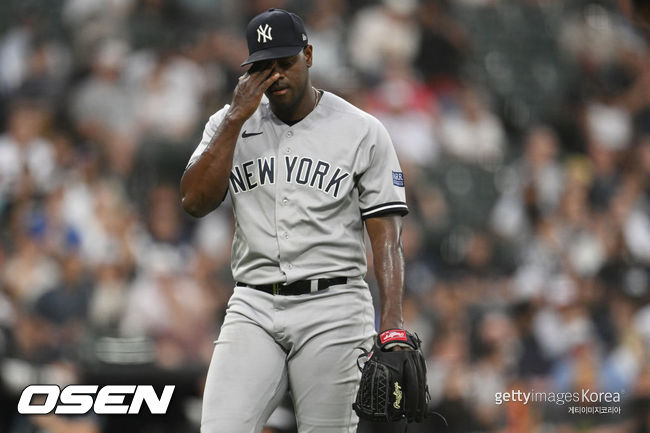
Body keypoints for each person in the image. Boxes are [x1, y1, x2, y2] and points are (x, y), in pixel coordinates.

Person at [180, 8, 409, 433]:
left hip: (334, 308)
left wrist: (392, 323)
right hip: (253, 304)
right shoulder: (228, 122)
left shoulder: (361, 130)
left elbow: (388, 238)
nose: (276, 76)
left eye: (285, 62)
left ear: (308, 54)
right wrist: (233, 119)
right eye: (263, 68)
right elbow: (194, 200)